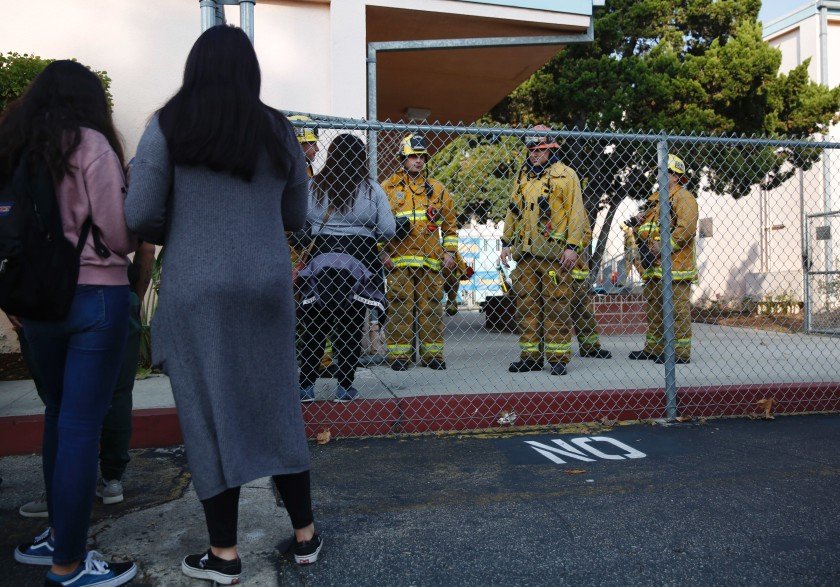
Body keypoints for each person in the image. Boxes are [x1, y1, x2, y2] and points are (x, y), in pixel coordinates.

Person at [125, 26, 322, 584]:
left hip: (197, 287)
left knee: (208, 412)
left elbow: (138, 212)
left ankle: (224, 556)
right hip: (265, 285)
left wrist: (184, 222)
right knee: (277, 403)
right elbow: (296, 215)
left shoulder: (167, 125)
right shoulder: (277, 127)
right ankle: (306, 536)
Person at [2, 60, 139, 586]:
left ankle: (55, 539)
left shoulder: (15, 144)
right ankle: (69, 565)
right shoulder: (90, 146)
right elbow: (119, 234)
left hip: (35, 301)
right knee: (82, 426)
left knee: (58, 416)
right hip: (93, 299)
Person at [14, 240, 155, 519]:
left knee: (58, 403)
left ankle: (59, 496)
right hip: (109, 289)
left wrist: (12, 297)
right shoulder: (110, 193)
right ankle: (112, 480)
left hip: (43, 294)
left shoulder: (32, 194)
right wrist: (135, 296)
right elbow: (146, 244)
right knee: (115, 391)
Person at [297, 133, 395, 402]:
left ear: (331, 155)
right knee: (350, 326)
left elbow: (299, 220)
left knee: (315, 325)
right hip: (359, 262)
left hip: (321, 260)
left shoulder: (313, 186)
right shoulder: (372, 189)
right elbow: (388, 229)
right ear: (361, 158)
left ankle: (305, 386)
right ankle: (344, 387)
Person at [499, 124, 588, 376]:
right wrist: (506, 242)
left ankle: (558, 358)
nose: (534, 154)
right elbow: (512, 210)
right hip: (526, 255)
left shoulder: (567, 175)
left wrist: (572, 247)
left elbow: (576, 214)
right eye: (531, 150)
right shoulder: (523, 176)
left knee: (557, 307)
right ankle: (531, 356)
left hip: (554, 255)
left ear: (551, 150)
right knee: (527, 306)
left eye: (539, 150)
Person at [381, 134, 458, 371]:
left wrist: (450, 252)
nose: (418, 161)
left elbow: (450, 225)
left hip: (431, 262)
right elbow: (376, 225)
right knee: (400, 308)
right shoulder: (388, 188)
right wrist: (381, 254)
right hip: (399, 262)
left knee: (432, 308)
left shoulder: (437, 189)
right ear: (403, 158)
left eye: (422, 156)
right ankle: (399, 356)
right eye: (413, 156)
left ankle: (432, 355)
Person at [629, 154, 698, 364]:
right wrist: (639, 223)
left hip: (675, 267)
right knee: (655, 310)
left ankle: (680, 353)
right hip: (655, 268)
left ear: (675, 176)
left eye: (663, 172)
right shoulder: (657, 202)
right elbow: (648, 232)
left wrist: (664, 247)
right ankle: (655, 349)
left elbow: (686, 228)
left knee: (677, 310)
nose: (658, 176)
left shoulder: (683, 198)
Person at [287, 115, 334, 374]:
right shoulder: (286, 167)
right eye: (311, 143)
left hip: (305, 245)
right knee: (294, 303)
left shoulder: (306, 169)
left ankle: (319, 360)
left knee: (313, 301)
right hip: (288, 245)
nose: (317, 149)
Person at [442, 251, 473, 316]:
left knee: (451, 295)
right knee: (452, 295)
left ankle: (451, 310)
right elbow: (461, 264)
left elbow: (460, 264)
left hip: (451, 276)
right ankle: (451, 310)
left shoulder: (455, 253)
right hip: (452, 277)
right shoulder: (455, 253)